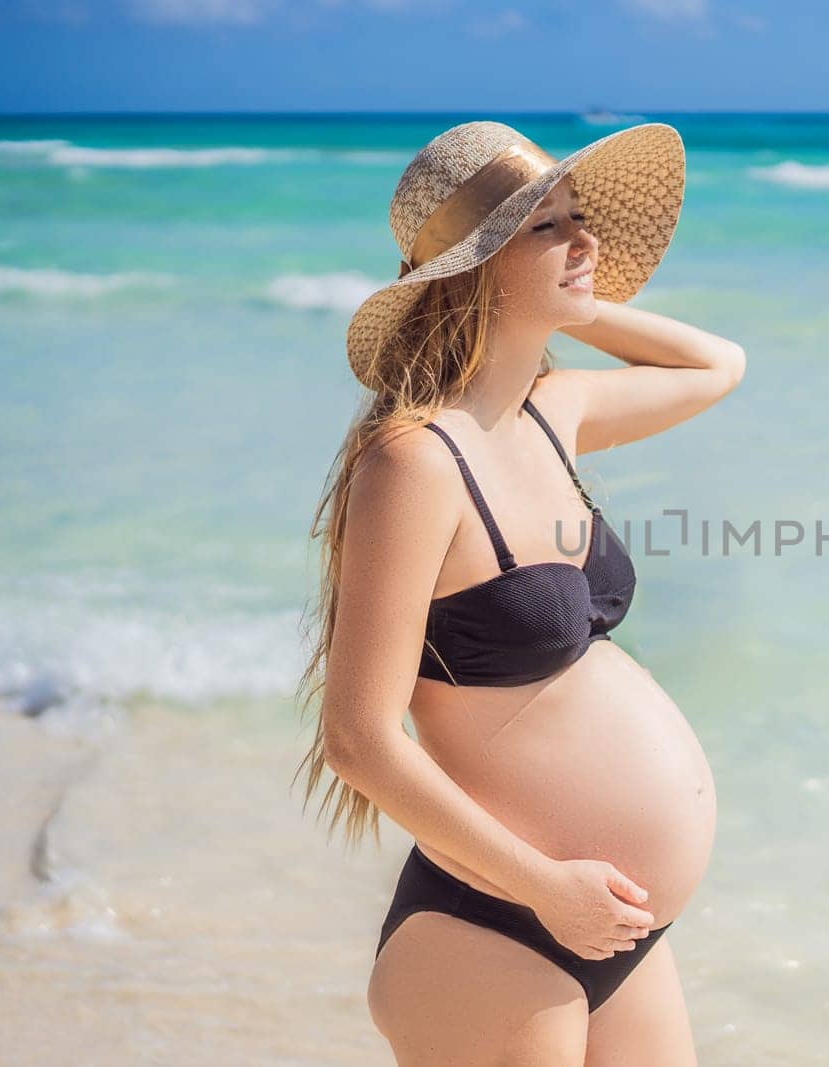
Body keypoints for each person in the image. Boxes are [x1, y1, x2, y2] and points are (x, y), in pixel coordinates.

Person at [292, 120, 742, 1065]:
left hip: (612, 926)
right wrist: (542, 885)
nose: (589, 245)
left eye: (583, 220)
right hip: (495, 924)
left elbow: (717, 366)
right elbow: (358, 737)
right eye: (550, 228)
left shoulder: (552, 410)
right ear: (481, 264)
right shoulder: (414, 461)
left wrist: (565, 299)